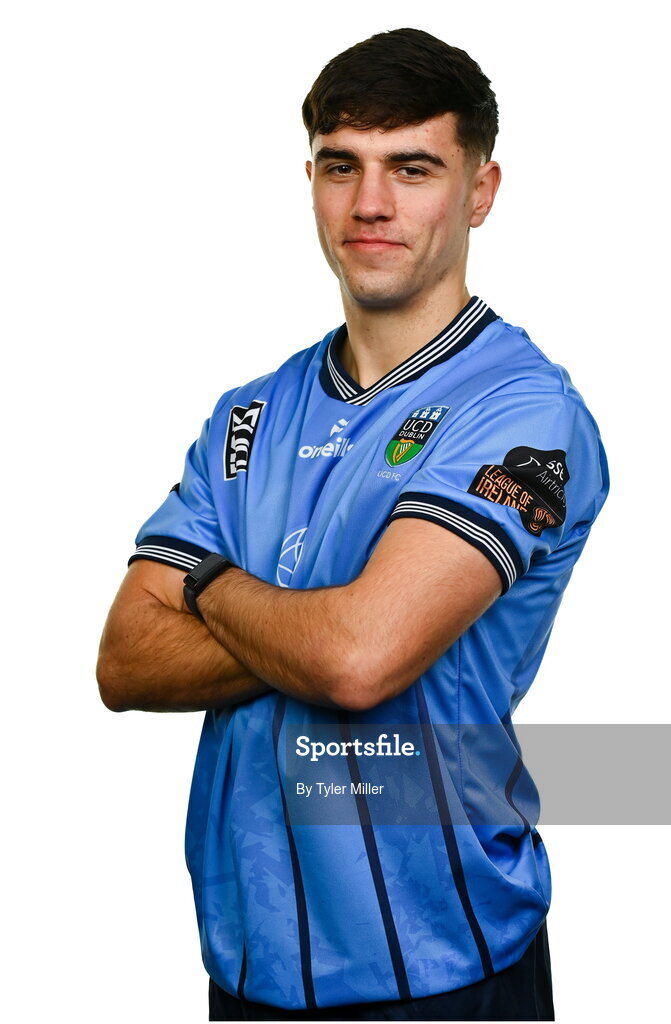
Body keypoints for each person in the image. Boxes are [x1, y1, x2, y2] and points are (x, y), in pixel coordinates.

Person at [97, 27, 609, 1022]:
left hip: (439, 968)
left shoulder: (519, 412)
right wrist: (325, 623)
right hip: (245, 968)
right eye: (343, 167)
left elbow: (357, 662)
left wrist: (204, 580)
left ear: (479, 191)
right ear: (313, 182)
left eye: (411, 167)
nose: (369, 202)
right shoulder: (248, 417)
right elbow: (124, 657)